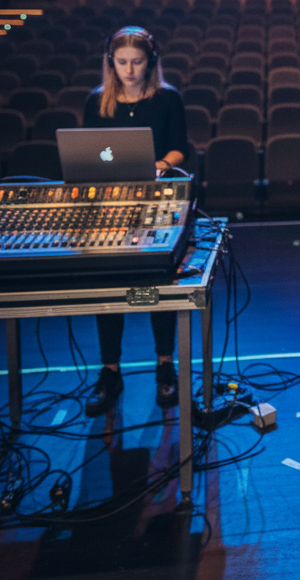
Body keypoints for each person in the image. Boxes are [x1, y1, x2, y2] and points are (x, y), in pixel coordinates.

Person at [81, 26, 190, 417]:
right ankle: (110, 372)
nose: (129, 70)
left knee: (156, 284)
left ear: (151, 62)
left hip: (153, 200)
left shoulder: (167, 99)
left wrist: (159, 165)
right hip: (110, 206)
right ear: (111, 62)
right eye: (122, 62)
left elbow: (181, 148)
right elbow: (89, 153)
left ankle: (165, 365)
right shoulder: (97, 102)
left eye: (137, 62)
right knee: (107, 288)